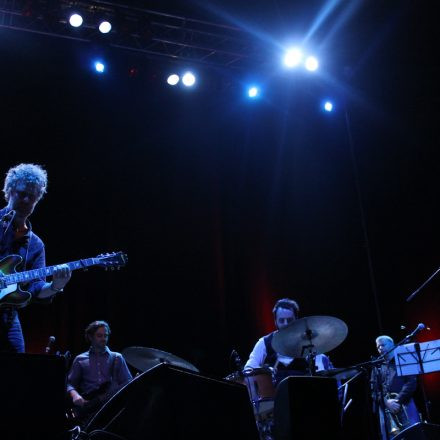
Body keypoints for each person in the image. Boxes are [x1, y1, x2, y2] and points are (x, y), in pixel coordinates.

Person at [0, 163, 71, 353]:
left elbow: (37, 289)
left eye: (31, 197)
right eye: (21, 193)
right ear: (9, 191)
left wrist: (56, 286)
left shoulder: (36, 245)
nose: (25, 200)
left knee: (16, 369)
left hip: (6, 314)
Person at [245, 298, 333, 382]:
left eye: (290, 320)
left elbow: (321, 375)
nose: (286, 324)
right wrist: (264, 372)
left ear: (296, 320)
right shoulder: (264, 343)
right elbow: (248, 370)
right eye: (282, 320)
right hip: (275, 396)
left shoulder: (308, 343)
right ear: (275, 321)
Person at [67, 320, 133, 423]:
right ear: (90, 337)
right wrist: (75, 396)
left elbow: (128, 383)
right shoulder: (80, 359)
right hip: (88, 407)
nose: (103, 339)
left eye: (105, 336)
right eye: (99, 336)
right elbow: (70, 384)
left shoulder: (117, 358)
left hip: (111, 408)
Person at [371, 335, 421, 439]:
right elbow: (374, 390)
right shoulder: (377, 366)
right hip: (386, 409)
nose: (380, 348)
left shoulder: (404, 359)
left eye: (383, 345)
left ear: (392, 345)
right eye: (378, 346)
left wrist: (397, 401)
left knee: (413, 435)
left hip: (405, 405)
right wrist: (386, 402)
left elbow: (411, 383)